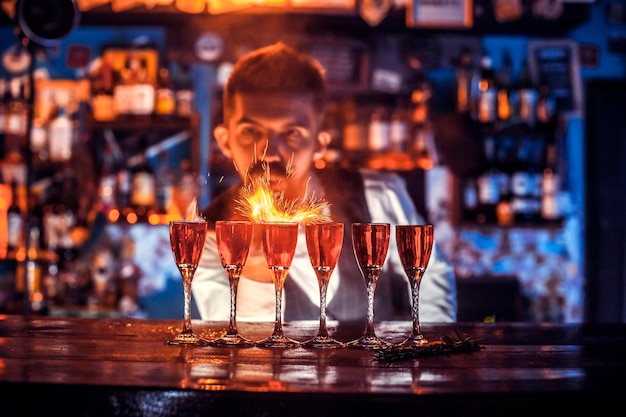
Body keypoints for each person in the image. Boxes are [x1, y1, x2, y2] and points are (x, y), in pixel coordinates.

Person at [192, 42, 457, 323]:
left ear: (319, 143)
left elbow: (429, 278)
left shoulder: (376, 196)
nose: (268, 152)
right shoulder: (209, 236)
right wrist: (257, 273)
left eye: (292, 133)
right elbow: (241, 351)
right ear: (225, 141)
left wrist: (427, 351)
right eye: (250, 131)